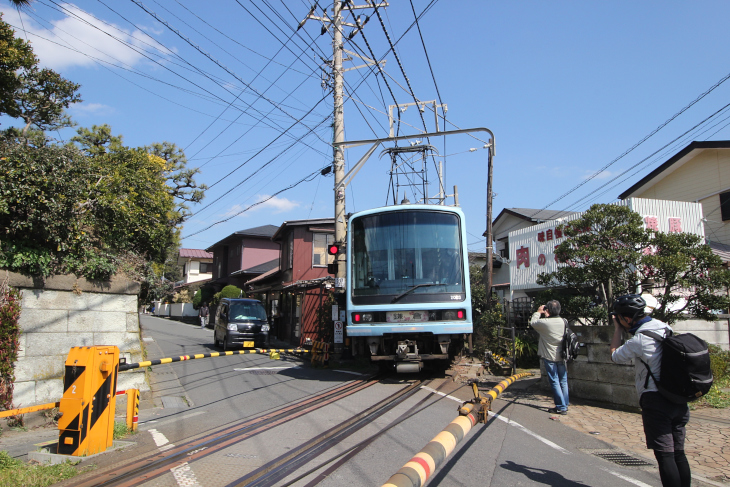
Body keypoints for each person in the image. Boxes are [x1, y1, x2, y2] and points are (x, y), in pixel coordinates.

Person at [610, 294, 691, 487]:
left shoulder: (639, 340)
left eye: (620, 317)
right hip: (678, 398)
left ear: (627, 319)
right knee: (679, 453)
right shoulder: (665, 327)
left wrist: (617, 330)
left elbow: (615, 356)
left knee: (665, 456)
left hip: (656, 401)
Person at [530, 300, 569, 415]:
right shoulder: (564, 321)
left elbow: (533, 322)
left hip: (549, 356)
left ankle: (561, 407)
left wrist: (538, 312)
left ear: (548, 310)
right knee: (563, 381)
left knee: (554, 381)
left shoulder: (544, 323)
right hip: (562, 355)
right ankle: (565, 404)